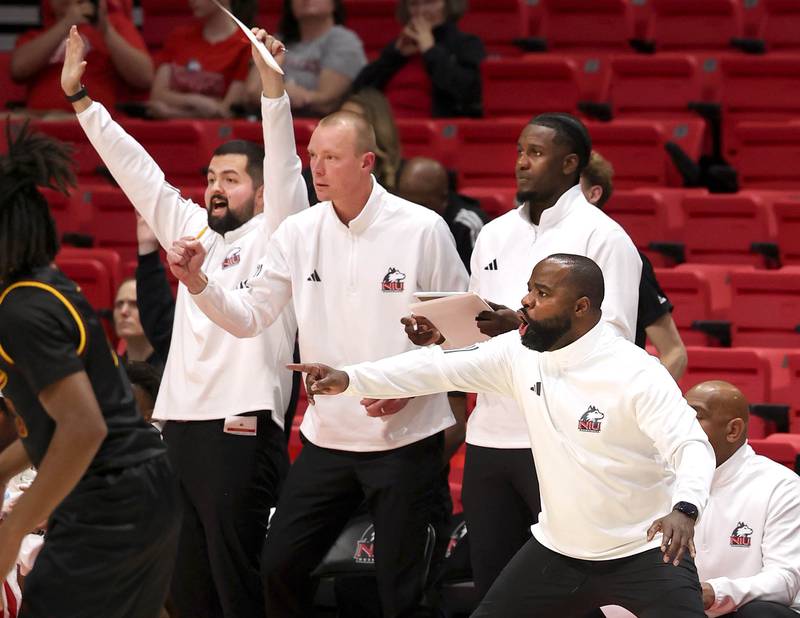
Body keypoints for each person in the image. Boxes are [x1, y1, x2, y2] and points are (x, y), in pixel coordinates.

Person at [167, 29, 469, 617]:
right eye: (313, 158)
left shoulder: (422, 229)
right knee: (278, 563)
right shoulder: (299, 233)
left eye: (331, 158)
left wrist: (408, 390)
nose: (318, 169)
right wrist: (200, 283)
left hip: (406, 441)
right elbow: (251, 316)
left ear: (366, 161)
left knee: (403, 592)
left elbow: (461, 331)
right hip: (328, 439)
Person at [289, 253, 716, 617]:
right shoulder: (519, 352)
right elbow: (436, 367)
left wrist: (685, 507)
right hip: (558, 551)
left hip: (643, 552)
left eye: (543, 294)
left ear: (582, 307)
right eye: (530, 288)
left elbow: (690, 444)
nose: (525, 302)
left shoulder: (636, 371)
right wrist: (349, 379)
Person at [62, 25, 305, 618]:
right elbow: (137, 171)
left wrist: (274, 91)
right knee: (185, 584)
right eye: (211, 178)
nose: (216, 189)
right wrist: (80, 99)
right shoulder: (192, 227)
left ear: (262, 192)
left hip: (242, 425)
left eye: (231, 179)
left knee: (236, 579)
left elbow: (283, 164)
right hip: (178, 424)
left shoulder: (282, 231)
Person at [406, 113, 642, 601]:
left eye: (535, 153)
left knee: (569, 591)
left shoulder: (606, 237)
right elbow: (476, 331)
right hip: (490, 435)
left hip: (564, 437)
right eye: (519, 151)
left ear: (570, 163)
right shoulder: (492, 234)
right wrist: (441, 332)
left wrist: (519, 323)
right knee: (496, 589)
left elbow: (614, 342)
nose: (521, 162)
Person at [0, 119, 179, 617]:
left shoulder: (21, 309)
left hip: (111, 499)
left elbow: (83, 428)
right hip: (142, 487)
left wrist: (14, 528)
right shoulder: (45, 284)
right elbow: (65, 420)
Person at [687, 381, 800, 618]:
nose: (681, 425)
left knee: (759, 614)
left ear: (733, 430)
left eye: (695, 416)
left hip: (743, 611)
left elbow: (785, 581)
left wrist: (714, 592)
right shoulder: (662, 478)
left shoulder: (782, 486)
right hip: (681, 610)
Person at [580, 150, 688, 380]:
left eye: (570, 188)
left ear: (593, 193)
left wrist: (642, 407)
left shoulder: (627, 258)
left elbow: (674, 352)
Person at [10, 0, 152, 114]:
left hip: (93, 123)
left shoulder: (113, 27)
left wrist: (106, 31)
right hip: (40, 123)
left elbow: (144, 77)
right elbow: (18, 70)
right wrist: (66, 24)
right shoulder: (36, 36)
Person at [353, 0, 485, 118]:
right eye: (413, 4)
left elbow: (470, 93)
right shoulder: (398, 49)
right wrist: (394, 55)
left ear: (448, 4)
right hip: (384, 132)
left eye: (429, 2)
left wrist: (430, 51)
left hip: (432, 134)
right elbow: (358, 92)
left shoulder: (466, 44)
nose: (421, 12)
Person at [247, 0, 367, 116]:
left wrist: (280, 93)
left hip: (320, 124)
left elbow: (326, 100)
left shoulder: (343, 40)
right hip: (271, 118)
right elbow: (252, 91)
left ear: (334, 3)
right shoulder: (278, 40)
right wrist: (288, 94)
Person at [148, 0, 250, 119]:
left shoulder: (245, 45)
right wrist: (197, 101)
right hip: (170, 131)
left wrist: (171, 112)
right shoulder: (178, 37)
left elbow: (226, 111)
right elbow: (157, 94)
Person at [304, 87, 402, 203]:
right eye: (312, 155)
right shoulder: (309, 178)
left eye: (331, 157)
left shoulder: (408, 177)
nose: (317, 169)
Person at [396, 156, 487, 272]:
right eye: (406, 203)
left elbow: (481, 282)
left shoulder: (467, 226)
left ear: (444, 199)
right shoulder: (394, 218)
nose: (412, 212)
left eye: (421, 205)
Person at [113, 277, 162, 369]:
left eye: (135, 304)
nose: (123, 311)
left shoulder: (173, 367)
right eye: (119, 304)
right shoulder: (111, 367)